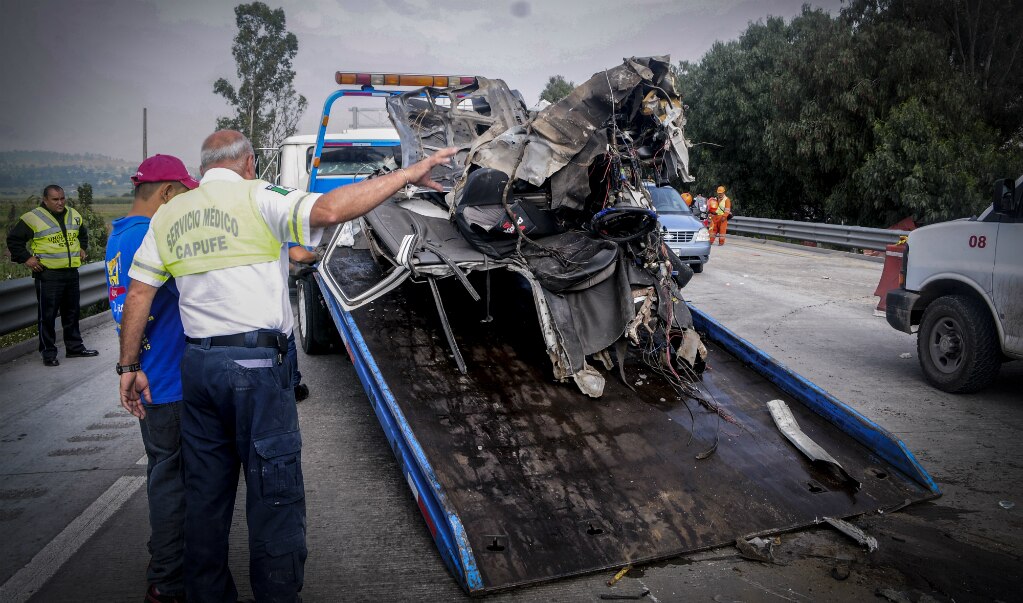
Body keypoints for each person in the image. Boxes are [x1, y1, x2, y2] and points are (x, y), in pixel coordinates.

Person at [117, 129, 456, 602]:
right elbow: (333, 209)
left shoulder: (171, 213)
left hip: (199, 369)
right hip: (256, 369)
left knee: (205, 498)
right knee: (273, 495)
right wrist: (408, 175)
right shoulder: (259, 196)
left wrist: (128, 366)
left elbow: (138, 293)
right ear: (249, 163)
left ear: (203, 167)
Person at [105, 154, 198, 603]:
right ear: (166, 193)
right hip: (169, 379)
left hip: (149, 374)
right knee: (175, 480)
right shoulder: (153, 234)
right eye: (183, 195)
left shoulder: (119, 235)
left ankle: (163, 560)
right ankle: (168, 580)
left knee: (164, 473)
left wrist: (129, 366)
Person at [6, 185, 98, 365]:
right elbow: (14, 240)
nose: (60, 202)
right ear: (45, 200)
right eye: (55, 199)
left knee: (71, 313)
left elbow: (82, 234)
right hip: (48, 275)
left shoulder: (73, 214)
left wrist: (82, 247)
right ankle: (48, 354)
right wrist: (27, 258)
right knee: (47, 316)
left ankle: (74, 348)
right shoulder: (34, 217)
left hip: (71, 273)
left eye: (62, 198)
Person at [286, 243, 317, 401]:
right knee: (285, 339)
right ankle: (292, 388)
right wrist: (317, 255)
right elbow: (300, 255)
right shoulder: (268, 218)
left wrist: (293, 269)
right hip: (268, 299)